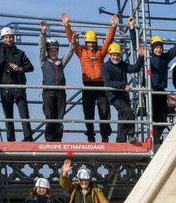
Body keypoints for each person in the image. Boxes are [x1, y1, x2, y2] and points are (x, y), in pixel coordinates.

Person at [0, 3, 33, 142]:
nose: (8, 39)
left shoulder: (20, 53)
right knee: (8, 116)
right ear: (3, 39)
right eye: (6, 37)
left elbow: (30, 67)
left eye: (10, 37)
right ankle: (11, 140)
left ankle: (28, 138)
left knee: (24, 115)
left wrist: (20, 68)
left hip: (18, 87)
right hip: (5, 87)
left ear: (13, 38)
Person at [61, 12, 118, 142]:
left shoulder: (101, 52)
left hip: (101, 86)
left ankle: (105, 136)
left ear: (96, 42)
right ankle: (91, 135)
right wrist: (67, 25)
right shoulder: (82, 52)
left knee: (104, 112)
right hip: (88, 86)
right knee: (88, 112)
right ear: (86, 42)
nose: (91, 45)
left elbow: (108, 41)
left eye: (93, 42)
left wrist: (113, 26)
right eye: (89, 42)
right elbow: (72, 42)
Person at [103, 33, 146, 143]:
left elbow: (135, 68)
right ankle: (131, 135)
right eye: (114, 55)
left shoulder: (122, 64)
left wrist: (141, 57)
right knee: (129, 112)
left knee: (122, 116)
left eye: (118, 55)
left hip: (124, 96)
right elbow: (108, 82)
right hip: (114, 96)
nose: (116, 57)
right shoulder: (106, 67)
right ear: (109, 55)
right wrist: (123, 86)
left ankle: (120, 140)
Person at [37, 22, 73, 142]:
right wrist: (43, 33)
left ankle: (58, 139)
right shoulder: (43, 61)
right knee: (50, 116)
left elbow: (69, 53)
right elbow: (41, 48)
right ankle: (49, 140)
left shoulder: (61, 62)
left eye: (55, 50)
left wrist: (73, 43)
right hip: (48, 92)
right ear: (48, 51)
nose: (53, 53)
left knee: (59, 117)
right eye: (51, 50)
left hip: (61, 93)